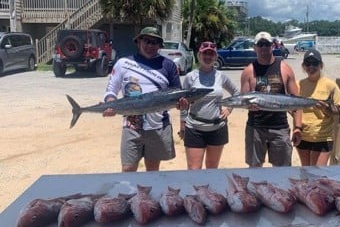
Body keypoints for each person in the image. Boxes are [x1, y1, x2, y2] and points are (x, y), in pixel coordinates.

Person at [103, 26, 186, 172]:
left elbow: (177, 94)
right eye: (147, 41)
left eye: (155, 43)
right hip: (131, 127)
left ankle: (146, 195)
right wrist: (110, 103)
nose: (150, 46)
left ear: (159, 46)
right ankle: (129, 195)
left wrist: (181, 104)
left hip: (158, 127)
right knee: (128, 169)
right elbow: (111, 90)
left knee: (153, 169)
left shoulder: (169, 65)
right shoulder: (123, 63)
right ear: (138, 42)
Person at [240, 31, 302, 167]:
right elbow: (243, 101)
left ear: (272, 46)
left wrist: (298, 127)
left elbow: (296, 101)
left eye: (266, 44)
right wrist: (248, 106)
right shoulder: (248, 72)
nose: (263, 48)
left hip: (279, 127)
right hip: (255, 127)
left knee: (282, 170)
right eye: (260, 44)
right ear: (255, 47)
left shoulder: (285, 69)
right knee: (254, 169)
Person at [179, 41, 240, 170]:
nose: (207, 57)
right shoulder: (190, 77)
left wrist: (229, 109)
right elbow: (183, 102)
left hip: (217, 128)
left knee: (212, 168)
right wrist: (182, 124)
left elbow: (236, 92)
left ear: (215, 57)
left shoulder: (221, 76)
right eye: (204, 53)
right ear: (199, 55)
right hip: (195, 128)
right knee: (194, 169)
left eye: (211, 54)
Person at [296, 49, 340, 166]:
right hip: (303, 135)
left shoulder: (330, 85)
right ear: (303, 66)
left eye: (315, 63)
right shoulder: (299, 84)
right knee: (305, 170)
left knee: (318, 173)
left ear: (321, 65)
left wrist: (326, 109)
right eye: (308, 63)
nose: (311, 66)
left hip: (323, 137)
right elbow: (294, 109)